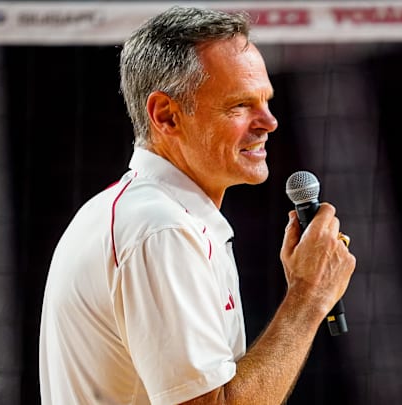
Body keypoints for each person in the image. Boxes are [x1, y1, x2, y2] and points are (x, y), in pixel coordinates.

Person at [38, 6, 356, 405]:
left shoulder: (140, 213)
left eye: (266, 100)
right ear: (166, 116)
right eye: (240, 105)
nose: (269, 121)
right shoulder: (160, 229)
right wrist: (309, 296)